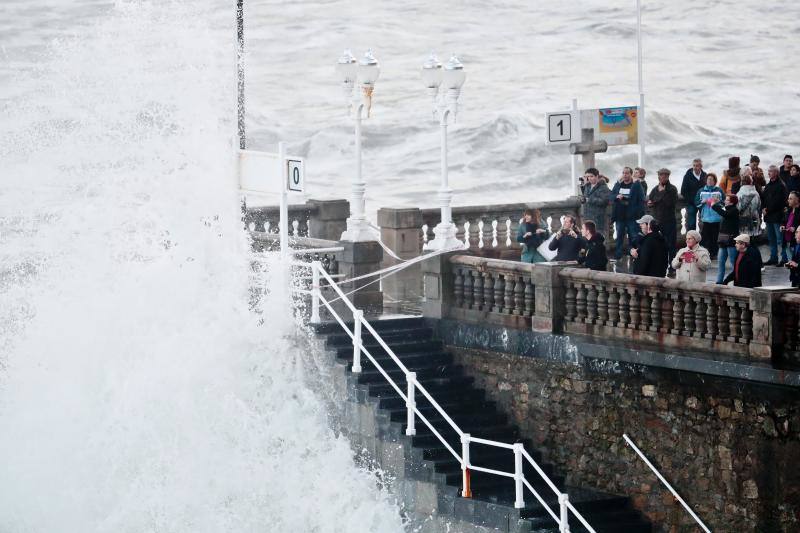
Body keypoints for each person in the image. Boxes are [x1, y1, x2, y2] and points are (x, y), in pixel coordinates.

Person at [610, 166, 645, 260]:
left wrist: (637, 212)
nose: (625, 175)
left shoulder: (636, 185)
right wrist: (617, 197)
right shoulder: (618, 184)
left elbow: (642, 199)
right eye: (623, 173)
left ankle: (634, 255)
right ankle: (618, 256)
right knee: (619, 237)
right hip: (620, 216)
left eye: (627, 173)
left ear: (631, 174)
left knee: (633, 237)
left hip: (632, 217)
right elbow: (611, 196)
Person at [647, 168, 679, 269]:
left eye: (665, 175)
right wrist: (650, 203)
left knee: (671, 245)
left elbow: (670, 203)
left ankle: (672, 266)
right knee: (657, 245)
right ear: (658, 176)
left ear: (668, 176)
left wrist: (660, 195)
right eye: (661, 175)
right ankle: (660, 265)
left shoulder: (672, 189)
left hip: (669, 220)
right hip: (657, 221)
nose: (663, 177)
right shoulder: (655, 189)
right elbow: (650, 200)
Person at [762, 165, 789, 266]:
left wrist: (767, 209)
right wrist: (763, 208)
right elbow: (764, 198)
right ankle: (773, 258)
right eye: (768, 171)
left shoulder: (781, 185)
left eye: (771, 171)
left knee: (780, 239)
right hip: (768, 217)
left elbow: (779, 201)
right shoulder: (768, 185)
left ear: (776, 173)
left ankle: (784, 258)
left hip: (778, 217)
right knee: (771, 239)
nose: (768, 173)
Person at [694, 173, 725, 259]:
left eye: (711, 179)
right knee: (705, 237)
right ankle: (704, 253)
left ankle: (714, 254)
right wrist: (702, 202)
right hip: (705, 218)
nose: (710, 181)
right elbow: (696, 203)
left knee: (715, 237)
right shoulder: (701, 191)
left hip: (716, 218)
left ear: (715, 181)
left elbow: (724, 202)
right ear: (706, 180)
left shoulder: (719, 190)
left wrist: (717, 202)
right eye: (708, 179)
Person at [711, 194, 740, 284]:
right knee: (721, 262)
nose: (725, 201)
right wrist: (716, 202)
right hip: (723, 240)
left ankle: (736, 280)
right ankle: (719, 281)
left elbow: (724, 214)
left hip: (731, 240)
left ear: (732, 202)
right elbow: (723, 209)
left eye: (727, 200)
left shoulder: (734, 210)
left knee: (733, 262)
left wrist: (714, 206)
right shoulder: (727, 208)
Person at [581, 168, 610, 234]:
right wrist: (583, 199)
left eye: (591, 176)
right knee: (588, 238)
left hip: (598, 218)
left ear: (597, 176)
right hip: (587, 217)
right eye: (588, 177)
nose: (589, 178)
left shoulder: (603, 187)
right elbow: (585, 198)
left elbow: (604, 201)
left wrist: (589, 200)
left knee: (599, 238)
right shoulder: (587, 186)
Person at [680, 158, 706, 232]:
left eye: (697, 166)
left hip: (702, 202)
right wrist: (692, 200)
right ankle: (691, 239)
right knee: (691, 223)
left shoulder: (705, 175)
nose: (695, 167)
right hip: (691, 203)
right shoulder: (687, 176)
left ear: (701, 166)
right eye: (694, 165)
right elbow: (683, 191)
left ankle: (704, 240)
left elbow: (707, 189)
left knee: (706, 221)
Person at [736, 173, 762, 238]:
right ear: (751, 182)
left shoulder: (739, 194)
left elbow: (738, 208)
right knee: (752, 240)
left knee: (744, 241)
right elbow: (759, 206)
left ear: (742, 182)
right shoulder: (756, 193)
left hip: (743, 220)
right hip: (754, 219)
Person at [782, 192, 800, 266]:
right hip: (787, 240)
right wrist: (782, 226)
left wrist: (795, 228)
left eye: (790, 198)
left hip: (795, 241)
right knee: (791, 264)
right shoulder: (789, 210)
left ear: (797, 200)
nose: (788, 200)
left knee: (796, 263)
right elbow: (784, 221)